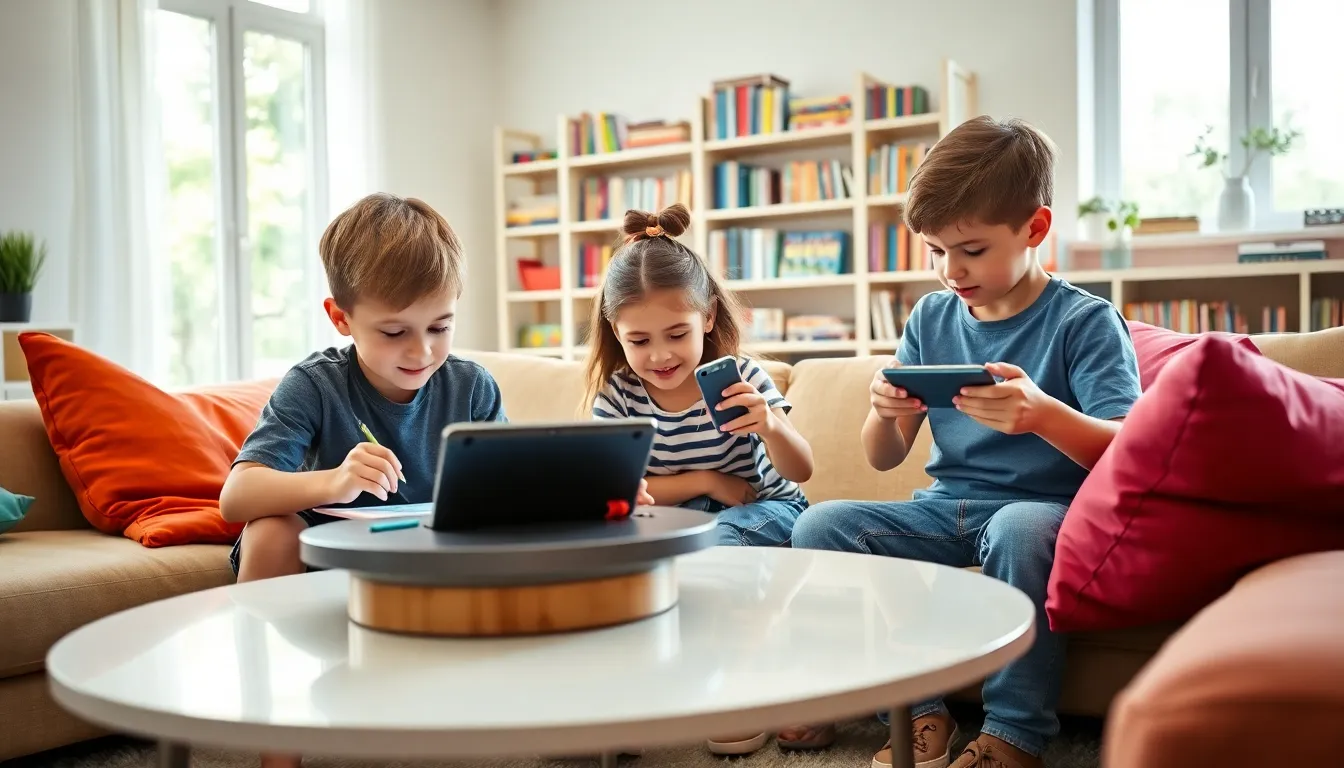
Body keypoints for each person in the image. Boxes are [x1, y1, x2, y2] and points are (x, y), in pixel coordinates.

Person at [219, 192, 653, 768]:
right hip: (331, 562)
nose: (421, 351)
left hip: (434, 561)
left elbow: (511, 485)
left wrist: (585, 490)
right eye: (394, 332)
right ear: (340, 318)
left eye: (440, 326)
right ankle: (278, 746)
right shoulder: (315, 384)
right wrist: (330, 483)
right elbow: (236, 496)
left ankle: (573, 707)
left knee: (551, 544)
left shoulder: (471, 386)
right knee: (270, 529)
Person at [784, 116, 1142, 768]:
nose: (951, 270)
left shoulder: (1084, 321)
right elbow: (884, 456)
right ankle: (920, 709)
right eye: (934, 251)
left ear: (1035, 229)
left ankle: (1014, 733)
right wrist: (884, 411)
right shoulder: (930, 316)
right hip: (946, 505)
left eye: (971, 250)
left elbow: (1129, 452)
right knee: (822, 525)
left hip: (1043, 513)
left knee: (1017, 530)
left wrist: (1044, 416)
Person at [584, 202, 815, 757]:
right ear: (617, 333)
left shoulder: (744, 378)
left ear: (708, 317)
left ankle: (742, 691)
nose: (660, 355)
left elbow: (800, 470)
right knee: (605, 561)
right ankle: (623, 699)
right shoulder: (620, 398)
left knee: (717, 545)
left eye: (676, 334)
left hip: (769, 511)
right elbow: (616, 489)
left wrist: (771, 426)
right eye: (639, 341)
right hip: (682, 517)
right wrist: (706, 479)